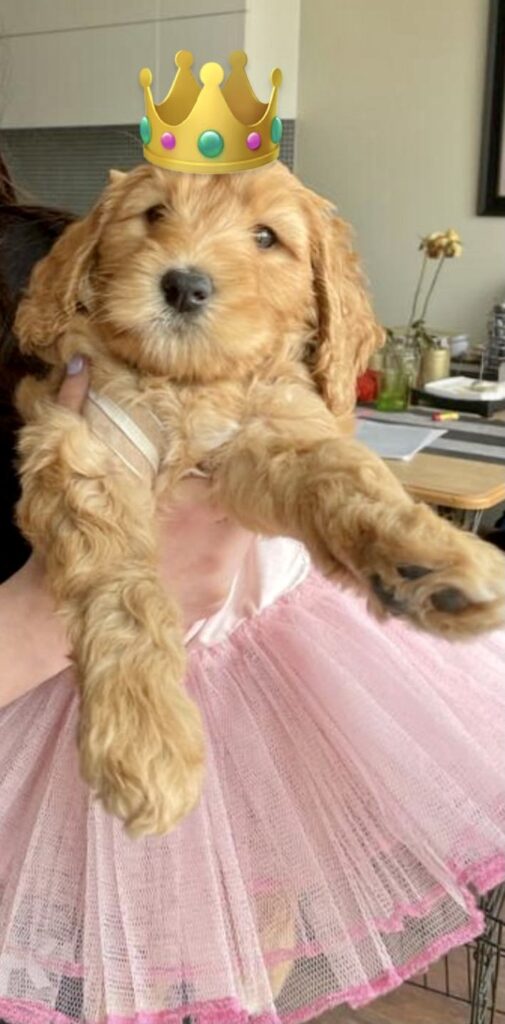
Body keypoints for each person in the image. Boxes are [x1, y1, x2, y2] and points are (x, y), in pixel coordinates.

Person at [0, 196, 505, 1024]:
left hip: (263, 674)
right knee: (91, 970)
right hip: (48, 726)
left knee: (254, 929)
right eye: (154, 216)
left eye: (262, 235)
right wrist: (60, 607)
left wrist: (360, 513)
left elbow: (287, 451)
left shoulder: (36, 235)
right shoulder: (68, 256)